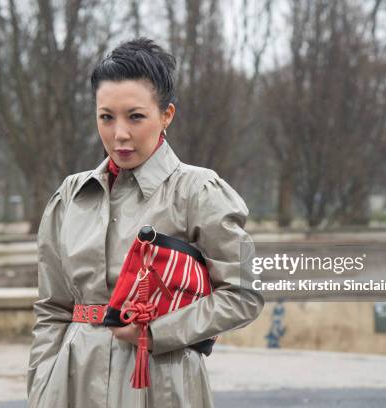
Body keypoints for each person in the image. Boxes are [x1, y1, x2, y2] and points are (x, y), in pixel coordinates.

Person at [27, 37, 264, 408]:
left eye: (135, 116)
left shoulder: (199, 191)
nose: (119, 134)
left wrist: (156, 331)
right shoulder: (70, 196)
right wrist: (42, 385)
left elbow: (244, 294)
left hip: (160, 383)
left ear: (166, 115)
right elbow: (52, 308)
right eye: (106, 117)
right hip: (71, 382)